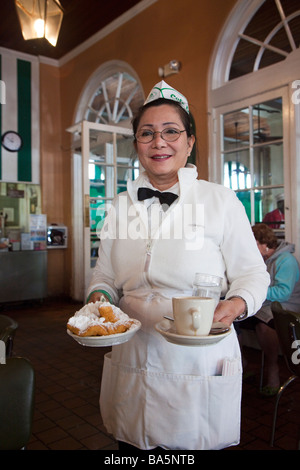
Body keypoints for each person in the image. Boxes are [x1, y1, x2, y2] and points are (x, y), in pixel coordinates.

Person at [86, 80, 269, 450]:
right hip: (133, 354)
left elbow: (252, 273)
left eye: (171, 131)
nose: (159, 142)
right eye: (147, 133)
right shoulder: (121, 206)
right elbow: (104, 275)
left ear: (190, 141)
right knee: (132, 449)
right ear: (136, 144)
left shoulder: (220, 200)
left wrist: (234, 306)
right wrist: (100, 300)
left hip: (197, 361)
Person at [241, 223, 300, 396]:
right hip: (267, 304)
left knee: (263, 325)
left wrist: (254, 291)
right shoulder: (264, 259)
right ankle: (242, 364)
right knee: (236, 319)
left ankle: (272, 369)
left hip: (287, 308)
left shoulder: (286, 261)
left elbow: (283, 293)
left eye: (253, 245)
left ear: (264, 244)